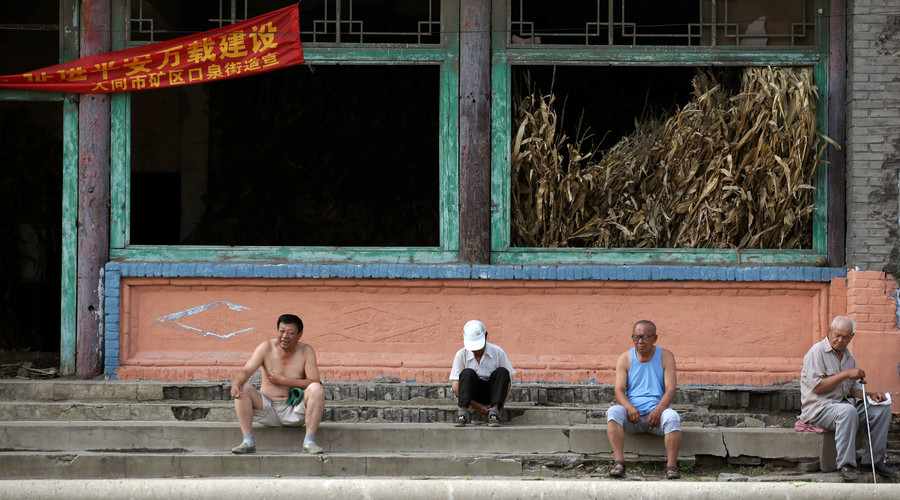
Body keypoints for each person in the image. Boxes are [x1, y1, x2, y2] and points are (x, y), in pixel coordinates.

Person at [799, 315, 897, 481]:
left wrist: (871, 395)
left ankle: (873, 460)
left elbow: (854, 391)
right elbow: (817, 387)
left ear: (852, 337)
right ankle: (846, 465)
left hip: (843, 407)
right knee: (847, 410)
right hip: (819, 409)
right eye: (837, 335)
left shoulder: (848, 358)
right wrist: (845, 374)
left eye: (845, 337)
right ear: (829, 332)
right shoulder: (817, 352)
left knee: (882, 409)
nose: (840, 340)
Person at [230, 313, 325, 454]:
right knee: (243, 387)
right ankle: (247, 441)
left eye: (290, 332)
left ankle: (309, 441)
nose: (285, 336)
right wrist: (235, 383)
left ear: (299, 335)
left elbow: (314, 381)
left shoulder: (306, 351)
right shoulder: (266, 348)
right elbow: (246, 371)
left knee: (317, 389)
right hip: (266, 409)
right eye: (281, 331)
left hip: (294, 411)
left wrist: (284, 381)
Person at [606, 320, 682, 480]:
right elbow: (619, 391)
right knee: (613, 412)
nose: (640, 341)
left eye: (645, 337)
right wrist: (630, 408)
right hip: (632, 416)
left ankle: (671, 466)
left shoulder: (666, 356)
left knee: (673, 417)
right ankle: (619, 462)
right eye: (636, 337)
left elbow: (671, 390)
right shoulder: (625, 358)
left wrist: (658, 410)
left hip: (657, 416)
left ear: (655, 338)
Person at [449, 320, 515, 427]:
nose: (477, 350)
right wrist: (477, 406)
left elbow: (506, 382)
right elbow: (455, 388)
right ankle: (462, 413)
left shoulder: (498, 352)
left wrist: (500, 408)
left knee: (502, 372)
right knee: (467, 373)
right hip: (471, 394)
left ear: (486, 336)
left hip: (492, 393)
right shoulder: (461, 355)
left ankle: (493, 413)